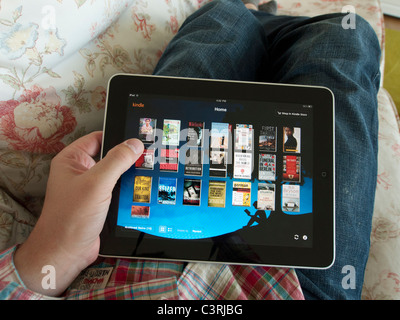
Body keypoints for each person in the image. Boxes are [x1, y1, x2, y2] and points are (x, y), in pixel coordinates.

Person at [0, 0, 380, 300]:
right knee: (344, 37)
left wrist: (55, 250)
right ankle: (266, 23)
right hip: (294, 285)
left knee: (220, 19)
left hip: (121, 262)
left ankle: (256, 19)